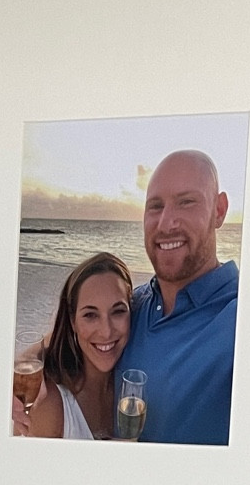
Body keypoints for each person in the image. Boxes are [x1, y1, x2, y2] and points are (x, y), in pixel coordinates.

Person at [117, 150, 238, 446]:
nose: (166, 223)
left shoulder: (244, 317)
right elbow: (56, 345)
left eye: (186, 202)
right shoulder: (131, 307)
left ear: (219, 210)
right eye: (155, 207)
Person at [15, 253, 133, 439]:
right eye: (90, 315)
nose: (106, 332)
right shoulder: (50, 405)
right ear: (72, 321)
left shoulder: (133, 391)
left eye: (118, 312)